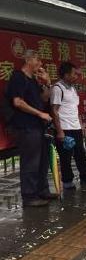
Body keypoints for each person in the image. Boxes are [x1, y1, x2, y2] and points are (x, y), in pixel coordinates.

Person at [5, 50, 57, 207]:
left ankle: (42, 190)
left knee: (42, 160)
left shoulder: (34, 80)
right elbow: (18, 102)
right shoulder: (18, 77)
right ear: (29, 60)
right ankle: (29, 196)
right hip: (25, 126)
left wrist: (48, 82)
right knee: (31, 162)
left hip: (38, 126)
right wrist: (40, 113)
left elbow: (44, 98)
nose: (40, 64)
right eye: (38, 61)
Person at [50, 62, 86, 189]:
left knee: (80, 153)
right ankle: (67, 181)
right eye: (73, 74)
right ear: (66, 75)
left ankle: (85, 177)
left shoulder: (72, 88)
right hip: (65, 129)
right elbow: (54, 110)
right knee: (65, 157)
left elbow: (74, 108)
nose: (76, 76)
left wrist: (81, 124)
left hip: (75, 127)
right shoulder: (58, 88)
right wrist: (60, 131)